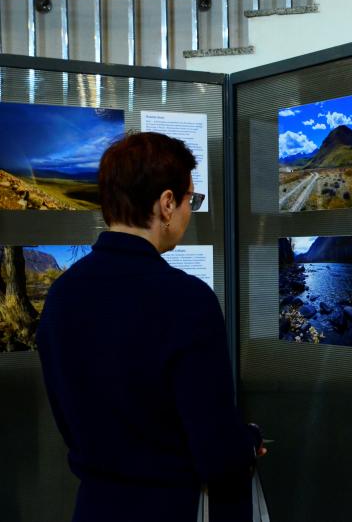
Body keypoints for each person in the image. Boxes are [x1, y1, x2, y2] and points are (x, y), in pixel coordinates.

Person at [37, 132, 265, 522]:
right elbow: (216, 453)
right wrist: (250, 440)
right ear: (166, 203)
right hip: (170, 507)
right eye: (191, 200)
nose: (190, 212)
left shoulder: (60, 296)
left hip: (94, 508)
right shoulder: (187, 300)